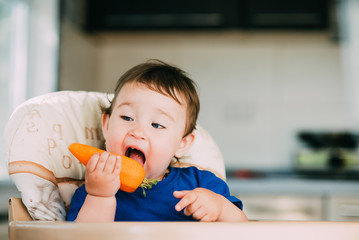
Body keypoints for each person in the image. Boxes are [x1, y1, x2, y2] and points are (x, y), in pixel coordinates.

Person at [67, 59, 248, 222]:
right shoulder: (90, 191)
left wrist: (219, 208)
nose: (138, 132)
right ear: (106, 126)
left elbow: (243, 228)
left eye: (157, 125)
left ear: (181, 144)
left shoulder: (201, 183)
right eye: (127, 118)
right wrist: (100, 197)